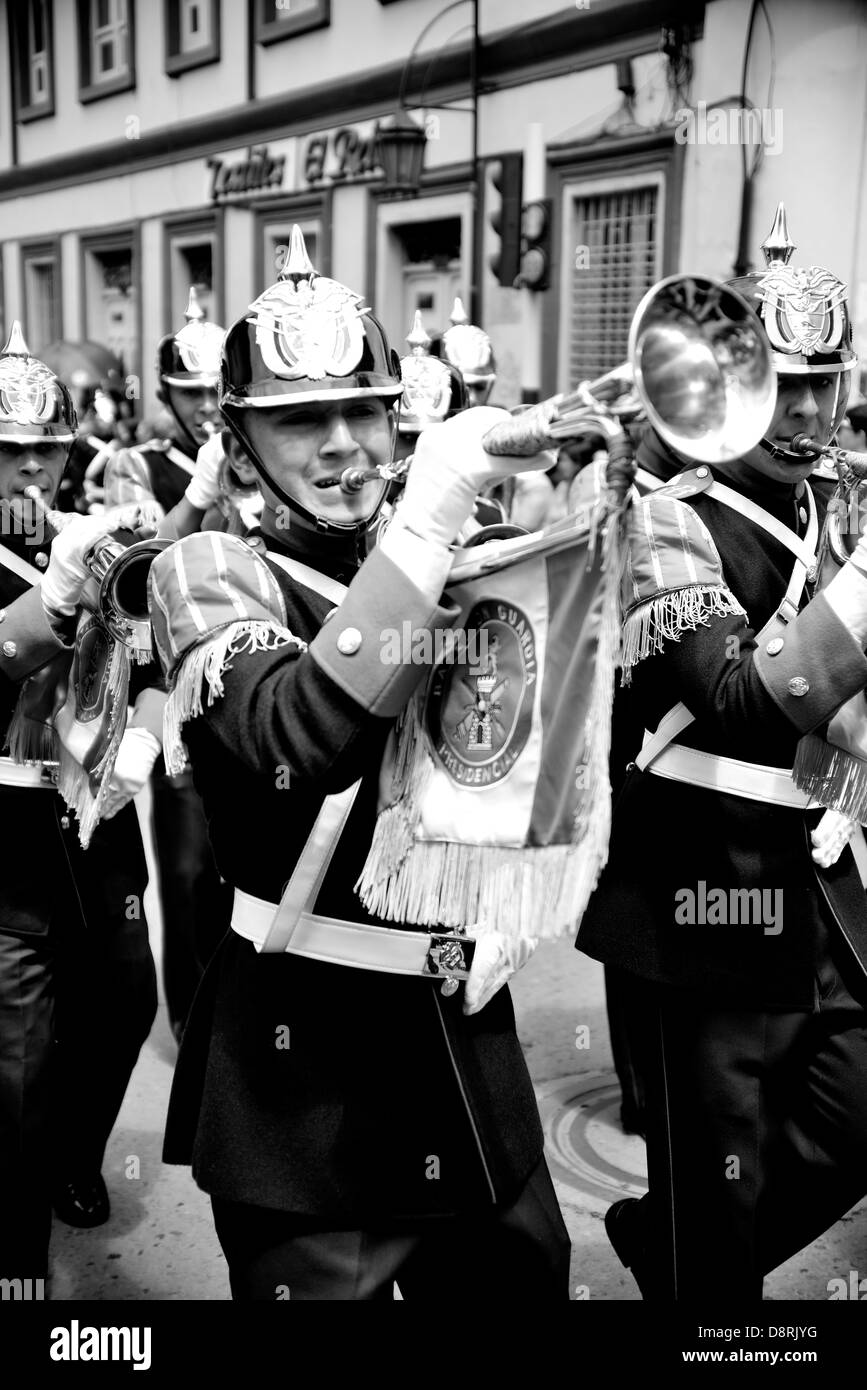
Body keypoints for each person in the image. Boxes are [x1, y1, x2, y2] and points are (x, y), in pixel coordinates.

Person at [148, 228, 571, 1301]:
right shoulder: (205, 572)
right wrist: (427, 521)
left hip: (465, 1050)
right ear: (238, 448)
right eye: (299, 420)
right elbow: (296, 736)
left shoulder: (448, 558)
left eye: (363, 411)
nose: (343, 445)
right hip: (305, 1083)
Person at [577, 205, 867, 1299]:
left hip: (822, 873)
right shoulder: (666, 519)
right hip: (703, 881)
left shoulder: (839, 501)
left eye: (822, 383)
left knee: (853, 1110)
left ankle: (681, 1254)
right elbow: (742, 700)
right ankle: (705, 1284)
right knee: (719, 1168)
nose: (805, 411)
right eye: (783, 385)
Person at [0, 323, 156, 1274]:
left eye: (44, 447)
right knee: (18, 1055)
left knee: (125, 1003)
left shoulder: (94, 539)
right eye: (7, 449)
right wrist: (49, 605)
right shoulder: (54, 562)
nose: (28, 467)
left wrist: (145, 724)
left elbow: (147, 647)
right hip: (6, 833)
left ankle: (74, 1156)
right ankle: (17, 1267)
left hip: (101, 824)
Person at [105, 288, 237, 1041]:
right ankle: (190, 1018)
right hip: (173, 685)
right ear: (165, 396)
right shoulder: (135, 464)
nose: (201, 408)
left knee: (243, 855)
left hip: (252, 677)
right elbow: (136, 568)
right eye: (187, 394)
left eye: (210, 391)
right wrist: (197, 494)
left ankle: (236, 1004)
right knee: (185, 865)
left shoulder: (262, 452)